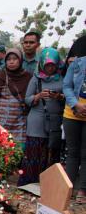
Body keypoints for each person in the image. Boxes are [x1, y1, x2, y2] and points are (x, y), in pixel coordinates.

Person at [18, 47, 65, 186]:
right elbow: (27, 99)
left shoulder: (62, 78)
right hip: (37, 121)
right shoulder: (36, 79)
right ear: (42, 64)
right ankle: (30, 182)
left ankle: (48, 184)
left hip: (55, 122)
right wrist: (38, 96)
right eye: (47, 65)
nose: (50, 68)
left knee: (52, 151)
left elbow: (68, 98)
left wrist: (59, 96)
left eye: (52, 65)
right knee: (34, 152)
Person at [0, 48, 31, 146]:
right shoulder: (1, 76)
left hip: (21, 121)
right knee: (4, 147)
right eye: (8, 59)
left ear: (20, 60)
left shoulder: (28, 77)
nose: (11, 62)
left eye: (14, 59)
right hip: (3, 121)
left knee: (19, 149)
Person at [62, 35, 86, 203]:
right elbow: (67, 85)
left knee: (85, 153)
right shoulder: (77, 63)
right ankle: (67, 188)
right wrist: (75, 104)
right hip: (72, 113)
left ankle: (83, 191)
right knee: (72, 152)